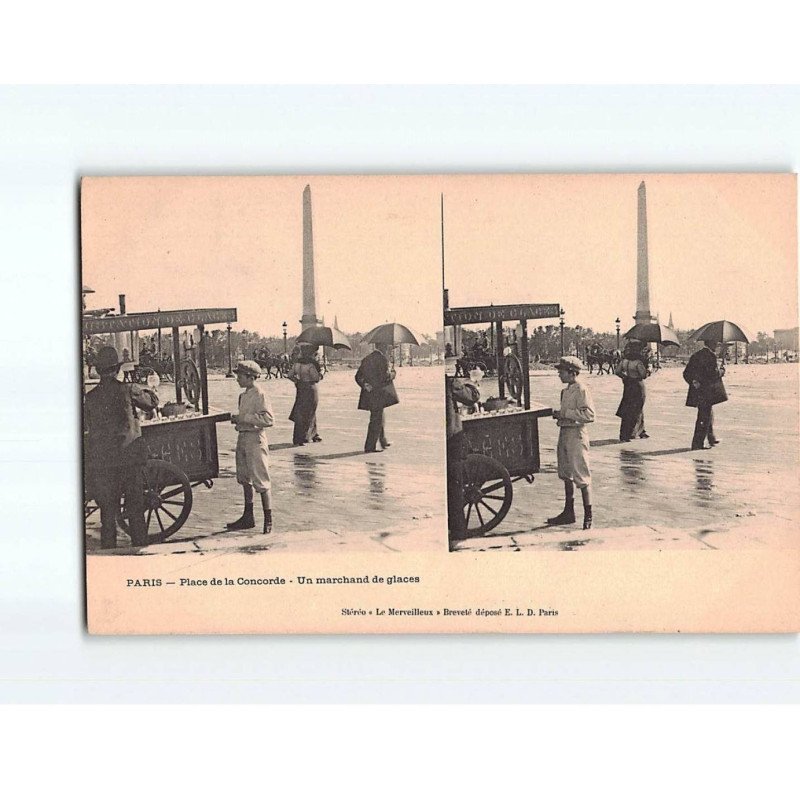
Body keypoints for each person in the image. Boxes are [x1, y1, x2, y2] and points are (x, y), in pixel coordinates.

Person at [84, 346, 158, 548]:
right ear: (117, 370)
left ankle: (108, 552)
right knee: (135, 510)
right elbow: (152, 402)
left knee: (107, 513)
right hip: (129, 459)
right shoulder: (128, 389)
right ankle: (139, 548)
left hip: (103, 461)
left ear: (98, 371)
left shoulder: (90, 398)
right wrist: (144, 386)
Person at [547, 356, 596, 530]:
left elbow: (589, 415)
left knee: (581, 475)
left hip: (577, 435)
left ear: (572, 372)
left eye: (561, 371)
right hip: (565, 433)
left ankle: (588, 516)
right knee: (566, 473)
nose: (559, 373)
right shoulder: (565, 391)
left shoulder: (581, 389)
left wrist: (565, 413)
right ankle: (569, 512)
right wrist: (560, 415)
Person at [227, 360, 275, 534]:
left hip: (255, 439)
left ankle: (268, 520)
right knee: (244, 478)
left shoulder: (260, 394)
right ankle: (248, 517)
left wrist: (244, 418)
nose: (237, 378)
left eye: (240, 375)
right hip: (243, 437)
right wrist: (238, 420)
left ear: (250, 377)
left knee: (261, 480)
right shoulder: (243, 395)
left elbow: (268, 420)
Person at [446, 376, 481, 541]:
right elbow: (472, 397)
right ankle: (458, 531)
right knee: (454, 485)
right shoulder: (450, 383)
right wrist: (470, 381)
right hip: (451, 438)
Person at [683, 338, 726, 450]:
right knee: (704, 416)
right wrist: (722, 371)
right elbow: (713, 374)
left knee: (707, 413)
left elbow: (686, 373)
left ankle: (711, 438)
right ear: (712, 345)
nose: (718, 347)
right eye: (717, 345)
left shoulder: (696, 355)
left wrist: (693, 382)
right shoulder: (711, 357)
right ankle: (697, 444)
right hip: (707, 391)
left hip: (698, 391)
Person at [355, 343, 399, 453]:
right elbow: (385, 377)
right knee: (376, 419)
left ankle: (383, 441)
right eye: (389, 348)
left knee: (378, 417)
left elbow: (357, 376)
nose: (390, 350)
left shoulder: (367, 359)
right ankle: (370, 446)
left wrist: (365, 385)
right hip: (379, 394)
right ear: (384, 348)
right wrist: (393, 373)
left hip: (369, 393)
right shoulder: (383, 360)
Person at [615, 340, 649, 442]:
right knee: (637, 408)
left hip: (628, 385)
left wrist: (624, 377)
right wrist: (649, 370)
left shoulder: (625, 361)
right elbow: (643, 375)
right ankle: (632, 433)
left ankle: (625, 433)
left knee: (627, 408)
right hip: (638, 386)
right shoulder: (638, 362)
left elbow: (617, 371)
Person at [289, 344, 323, 446]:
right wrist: (322, 373)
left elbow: (289, 375)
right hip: (310, 389)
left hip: (300, 388)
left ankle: (308, 435)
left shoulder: (297, 364)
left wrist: (297, 381)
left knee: (300, 412)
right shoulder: (311, 365)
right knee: (310, 411)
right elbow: (316, 378)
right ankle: (304, 437)